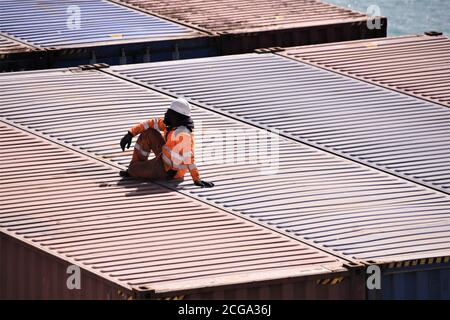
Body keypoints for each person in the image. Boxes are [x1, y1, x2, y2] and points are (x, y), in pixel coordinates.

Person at [119, 98, 214, 188]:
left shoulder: (183, 134)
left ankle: (133, 170)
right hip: (164, 157)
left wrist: (196, 179)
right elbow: (151, 123)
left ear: (177, 116)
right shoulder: (172, 124)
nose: (166, 114)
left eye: (170, 113)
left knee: (133, 170)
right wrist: (130, 133)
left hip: (169, 170)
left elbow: (189, 159)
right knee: (148, 132)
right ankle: (136, 166)